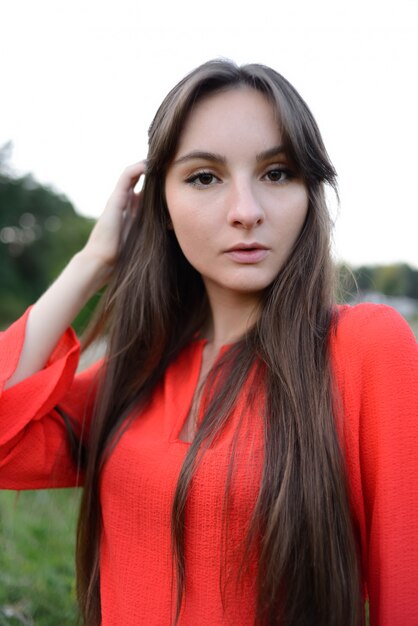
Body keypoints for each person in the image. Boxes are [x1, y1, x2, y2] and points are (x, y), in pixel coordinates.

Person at [0, 59, 417, 626]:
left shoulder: (364, 348)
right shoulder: (139, 373)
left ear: (309, 192)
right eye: (204, 177)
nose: (246, 212)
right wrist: (93, 262)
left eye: (277, 174)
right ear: (161, 209)